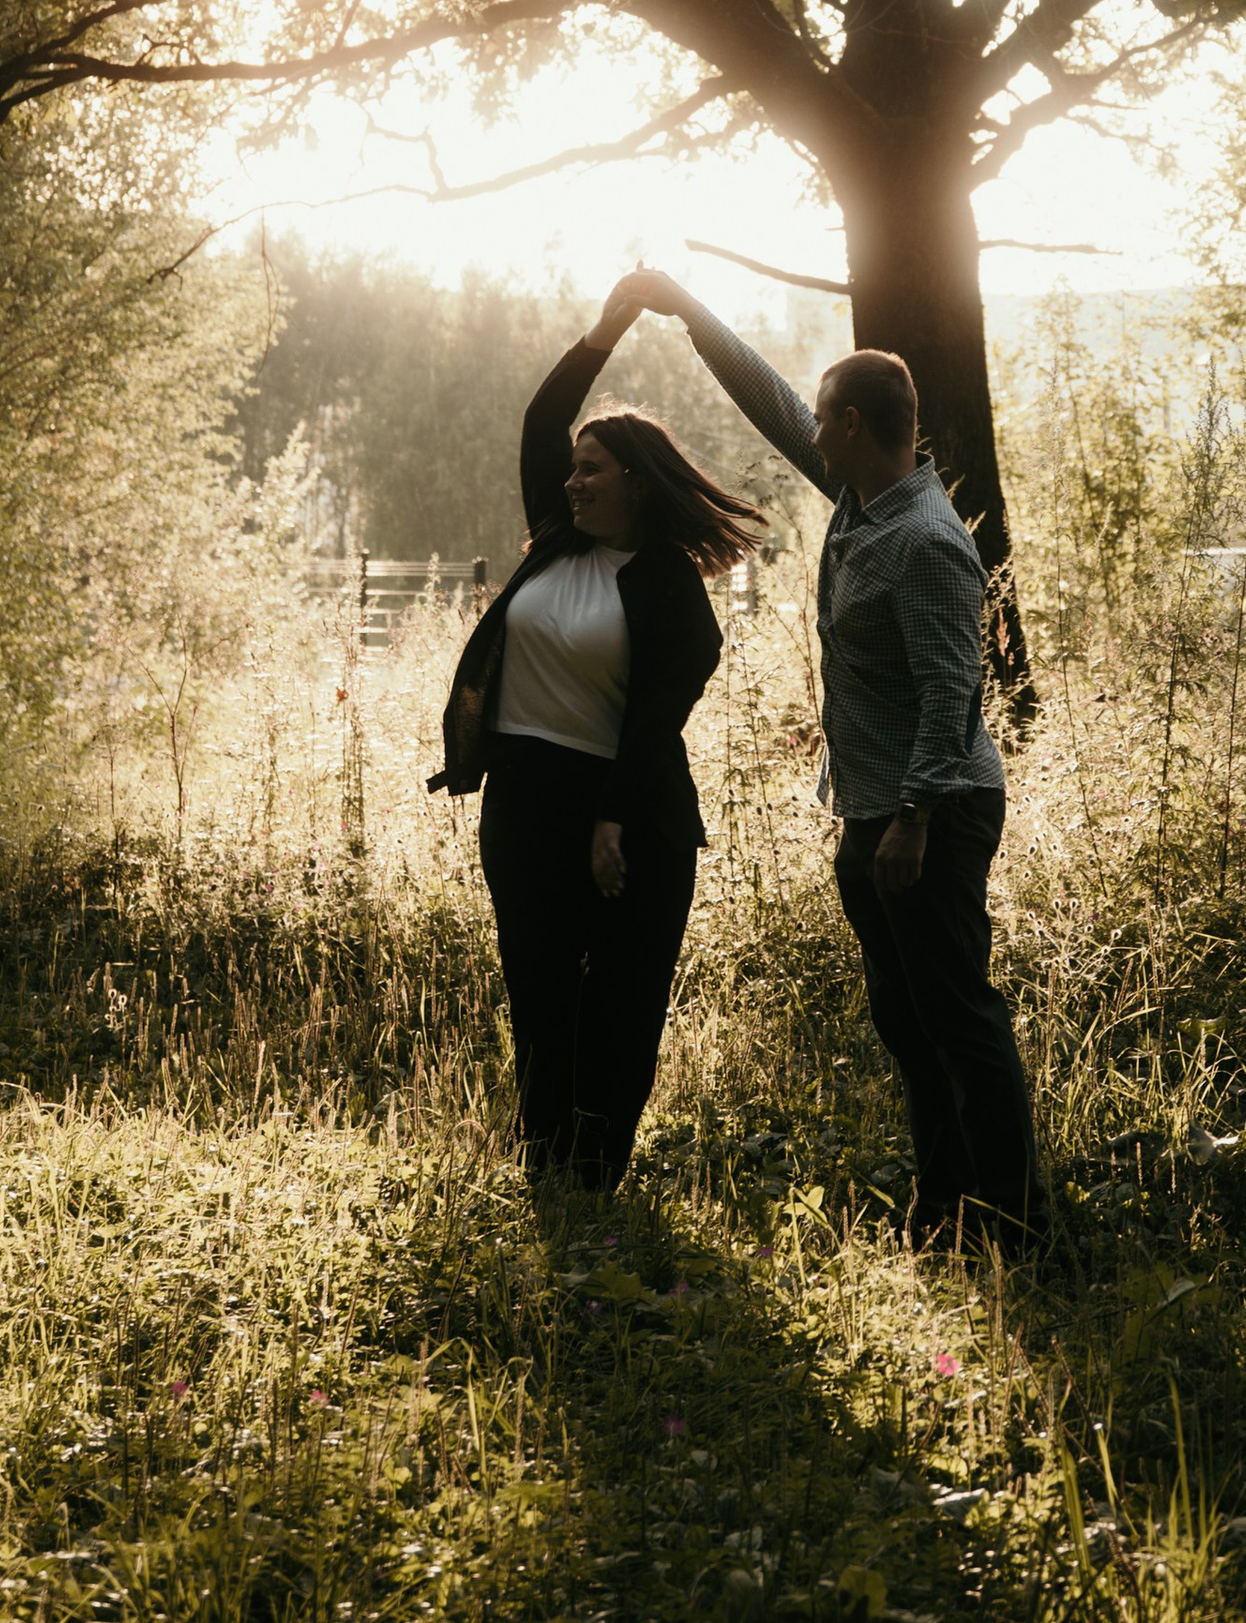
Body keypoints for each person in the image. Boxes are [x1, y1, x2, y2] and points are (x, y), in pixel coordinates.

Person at [599, 265, 1045, 1252]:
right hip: (876, 809)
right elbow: (768, 398)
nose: (809, 427)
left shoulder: (923, 538)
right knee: (909, 1022)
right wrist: (687, 311)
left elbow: (950, 687)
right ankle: (944, 1213)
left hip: (928, 812)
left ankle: (1015, 1227)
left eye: (821, 417)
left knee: (958, 1017)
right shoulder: (861, 498)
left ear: (846, 422)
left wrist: (913, 821)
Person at [431, 291, 762, 1190]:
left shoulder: (666, 587)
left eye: (593, 468)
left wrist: (610, 817)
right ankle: (546, 1171)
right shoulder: (556, 539)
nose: (574, 480)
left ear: (635, 482)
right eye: (572, 468)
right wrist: (610, 325)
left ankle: (596, 1173)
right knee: (537, 989)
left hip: (628, 810)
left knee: (619, 1001)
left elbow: (659, 717)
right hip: (527, 801)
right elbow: (544, 414)